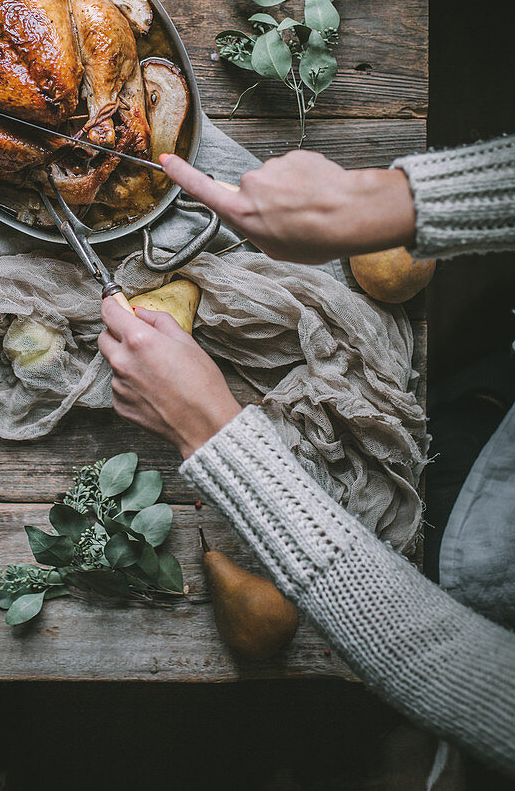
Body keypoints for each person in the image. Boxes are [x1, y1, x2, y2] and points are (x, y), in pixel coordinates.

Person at [98, 135, 515, 776]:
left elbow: (461, 670)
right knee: (470, 389)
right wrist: (382, 203)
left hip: (471, 565)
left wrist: (214, 434)